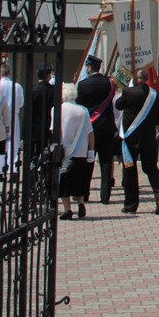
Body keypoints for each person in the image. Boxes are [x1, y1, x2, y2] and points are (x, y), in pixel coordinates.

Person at [114, 68, 159, 214]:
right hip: (148, 139)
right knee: (151, 168)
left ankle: (131, 205)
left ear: (136, 79)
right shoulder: (155, 95)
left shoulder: (128, 92)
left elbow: (118, 105)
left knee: (129, 170)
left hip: (131, 138)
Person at [76, 54, 118, 203]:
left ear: (89, 68)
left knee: (88, 161)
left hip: (90, 128)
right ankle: (105, 196)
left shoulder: (83, 85)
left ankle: (85, 194)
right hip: (107, 128)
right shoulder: (110, 83)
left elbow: (80, 104)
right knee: (106, 162)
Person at [57, 81, 95, 220]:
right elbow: (90, 133)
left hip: (64, 151)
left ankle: (67, 209)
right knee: (79, 179)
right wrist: (91, 151)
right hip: (81, 150)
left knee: (65, 182)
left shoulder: (58, 109)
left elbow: (55, 131)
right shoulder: (83, 110)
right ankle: (80, 203)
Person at [0, 62, 25, 177]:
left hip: (0, 115)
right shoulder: (17, 86)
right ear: (9, 73)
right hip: (13, 114)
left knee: (0, 141)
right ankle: (13, 168)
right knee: (13, 141)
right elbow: (21, 102)